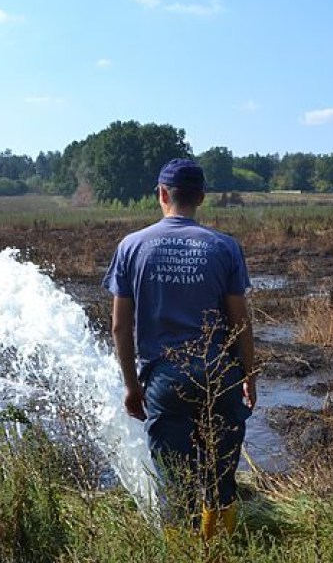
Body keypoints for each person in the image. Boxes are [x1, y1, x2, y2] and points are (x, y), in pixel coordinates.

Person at [102, 158, 256, 539]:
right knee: (220, 481)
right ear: (201, 197)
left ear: (161, 194)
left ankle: (181, 550)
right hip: (219, 377)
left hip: (165, 380)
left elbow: (121, 326)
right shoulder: (225, 247)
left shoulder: (131, 247)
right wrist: (248, 377)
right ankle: (215, 551)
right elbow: (240, 323)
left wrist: (131, 386)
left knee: (176, 487)